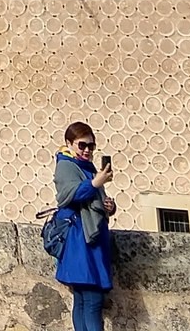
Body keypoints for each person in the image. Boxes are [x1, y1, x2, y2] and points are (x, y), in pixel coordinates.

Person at [51, 121, 116, 331]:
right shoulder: (66, 166)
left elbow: (93, 201)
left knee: (82, 300)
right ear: (69, 143)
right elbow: (70, 195)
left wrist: (109, 206)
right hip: (80, 240)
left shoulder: (88, 167)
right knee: (92, 300)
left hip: (88, 240)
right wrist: (96, 183)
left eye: (91, 146)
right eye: (82, 145)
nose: (87, 150)